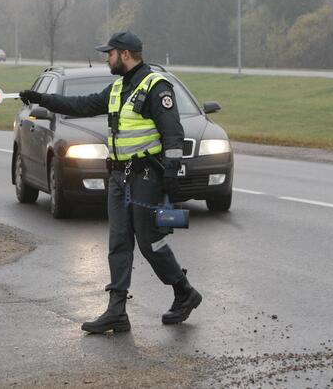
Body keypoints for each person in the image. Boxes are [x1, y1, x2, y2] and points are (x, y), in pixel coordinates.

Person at [18, 31, 202, 333]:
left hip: (145, 176)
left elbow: (173, 133)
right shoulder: (119, 87)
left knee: (149, 242)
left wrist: (170, 175)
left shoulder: (156, 86)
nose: (108, 59)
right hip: (119, 176)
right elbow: (81, 105)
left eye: (111, 54)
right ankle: (117, 310)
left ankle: (184, 291)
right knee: (118, 241)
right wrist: (41, 99)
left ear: (125, 54)